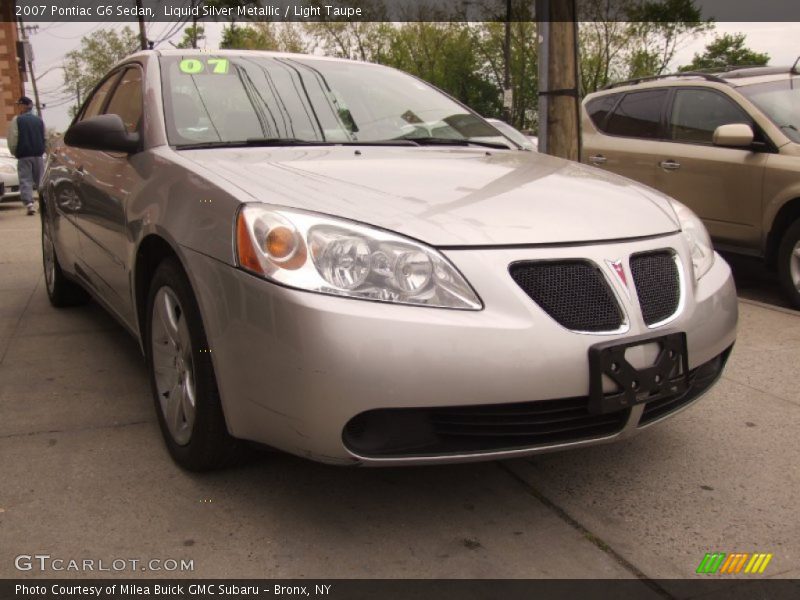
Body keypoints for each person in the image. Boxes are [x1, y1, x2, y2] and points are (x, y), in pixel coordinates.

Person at [7, 96, 46, 216]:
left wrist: (14, 151)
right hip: (38, 155)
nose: (18, 107)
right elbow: (44, 137)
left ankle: (29, 204)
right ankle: (44, 203)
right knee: (40, 180)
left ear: (24, 106)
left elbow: (13, 138)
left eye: (19, 104)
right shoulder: (39, 120)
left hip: (24, 155)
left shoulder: (17, 120)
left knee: (25, 180)